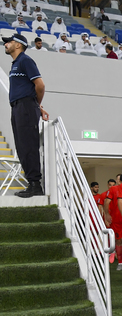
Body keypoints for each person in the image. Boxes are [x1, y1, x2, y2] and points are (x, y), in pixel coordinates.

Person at [4, 33, 48, 198]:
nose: (6, 44)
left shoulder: (25, 60)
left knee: (28, 145)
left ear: (18, 45)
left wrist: (35, 105)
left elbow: (40, 85)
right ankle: (32, 182)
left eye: (9, 42)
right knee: (22, 146)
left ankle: (36, 184)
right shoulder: (16, 63)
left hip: (25, 107)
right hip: (17, 107)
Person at [104, 173, 122, 270]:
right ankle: (119, 261)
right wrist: (107, 214)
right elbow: (106, 202)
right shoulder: (114, 189)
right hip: (117, 219)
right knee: (118, 240)